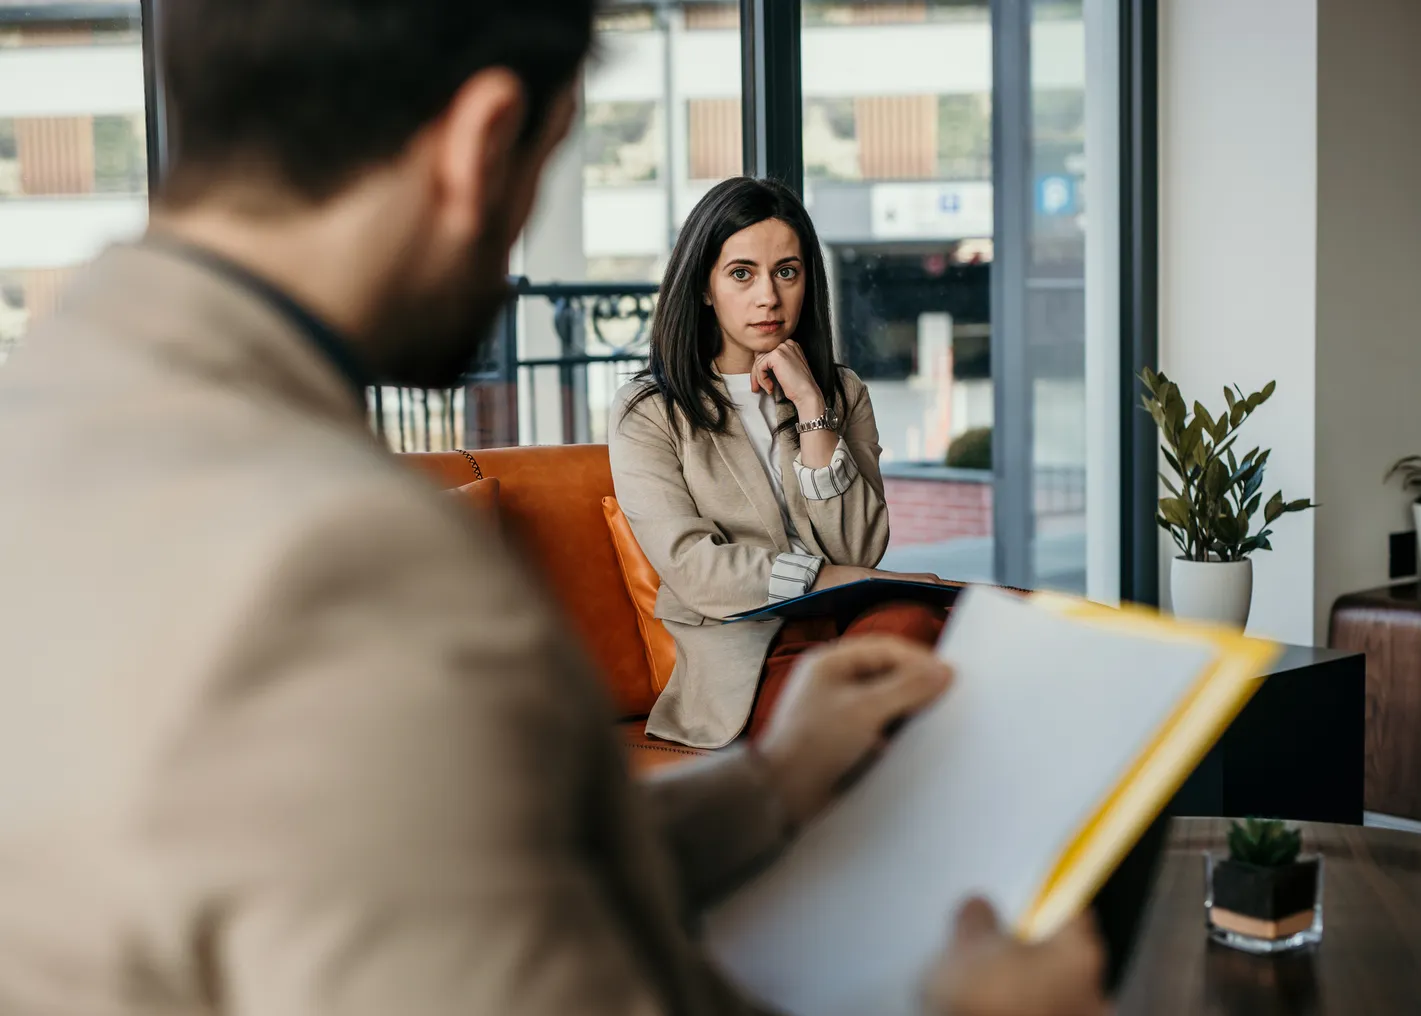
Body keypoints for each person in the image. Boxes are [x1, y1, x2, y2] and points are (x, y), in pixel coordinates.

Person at [0, 3, 1107, 1015]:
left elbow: (447, 861)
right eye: (552, 153)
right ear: (485, 140)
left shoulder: (51, 418)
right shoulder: (348, 560)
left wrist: (767, 785)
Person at [610, 177, 948, 749]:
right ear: (705, 288)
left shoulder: (841, 392)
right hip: (749, 652)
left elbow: (860, 547)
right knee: (863, 704)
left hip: (854, 625)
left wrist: (812, 407)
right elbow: (693, 568)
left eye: (786, 271)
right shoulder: (649, 413)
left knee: (919, 629)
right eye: (742, 273)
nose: (768, 295)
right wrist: (828, 579)